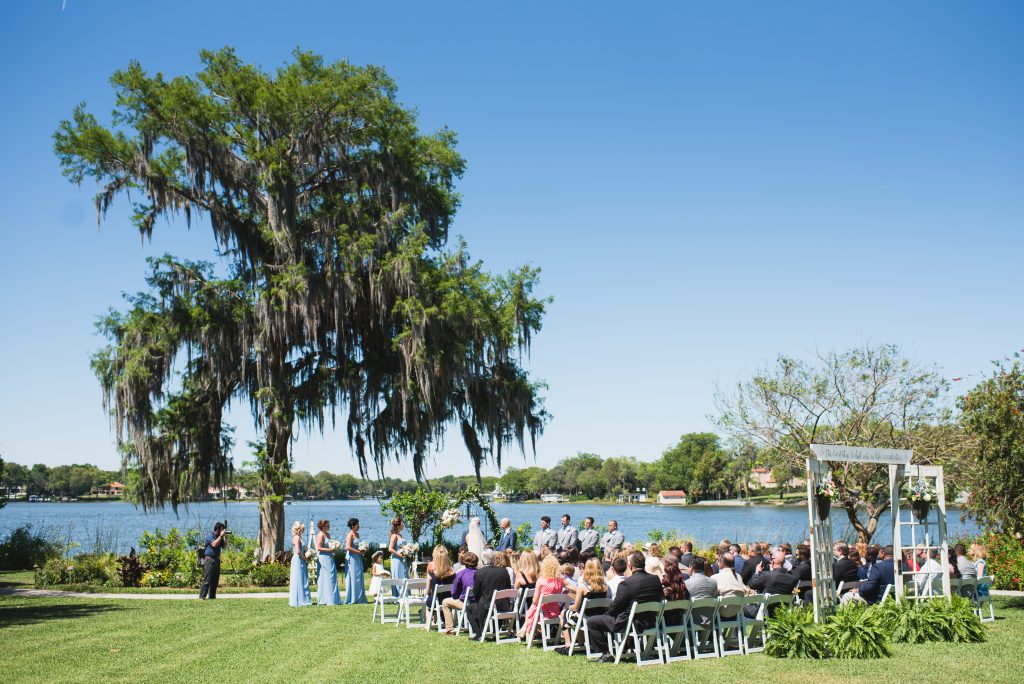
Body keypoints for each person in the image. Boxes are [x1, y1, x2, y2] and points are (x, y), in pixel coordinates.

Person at [587, 552, 663, 661]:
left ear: (630, 566)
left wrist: (606, 615)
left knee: (591, 621)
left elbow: (615, 607)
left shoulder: (627, 583)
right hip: (651, 621)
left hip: (629, 622)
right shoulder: (655, 579)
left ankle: (606, 654)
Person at [558, 558, 609, 653]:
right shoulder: (605, 586)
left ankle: (568, 644)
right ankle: (581, 641)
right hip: (600, 616)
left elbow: (575, 607)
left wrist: (569, 607)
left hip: (585, 618)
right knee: (577, 614)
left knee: (563, 613)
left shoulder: (583, 587)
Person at [468, 549, 513, 638]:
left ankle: (479, 633)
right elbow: (508, 588)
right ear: (493, 559)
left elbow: (476, 593)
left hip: (487, 606)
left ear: (483, 560)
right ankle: (495, 631)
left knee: (469, 608)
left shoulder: (479, 572)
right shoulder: (504, 571)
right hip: (504, 605)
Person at [519, 555, 566, 639]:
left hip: (542, 613)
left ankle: (525, 629)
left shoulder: (541, 580)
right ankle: (525, 629)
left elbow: (534, 600)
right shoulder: (560, 581)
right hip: (555, 612)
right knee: (535, 607)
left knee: (534, 606)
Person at [442, 551, 478, 633]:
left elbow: (454, 593)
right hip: (478, 602)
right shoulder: (480, 573)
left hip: (466, 603)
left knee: (445, 602)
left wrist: (457, 596)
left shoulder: (461, 574)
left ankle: (450, 629)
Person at [199, 521, 228, 600]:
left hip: (217, 560)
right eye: (222, 530)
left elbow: (224, 547)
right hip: (209, 559)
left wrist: (226, 537)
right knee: (207, 579)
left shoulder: (220, 537)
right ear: (218, 529)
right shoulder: (210, 535)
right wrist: (221, 536)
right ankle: (202, 597)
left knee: (215, 580)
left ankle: (212, 597)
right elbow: (214, 544)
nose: (222, 531)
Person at [315, 519, 341, 605]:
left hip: (329, 557)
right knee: (327, 577)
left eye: (329, 525)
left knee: (332, 576)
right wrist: (330, 550)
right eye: (327, 525)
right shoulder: (320, 535)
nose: (329, 527)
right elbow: (318, 548)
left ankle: (333, 598)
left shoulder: (328, 534)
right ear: (322, 526)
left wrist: (333, 550)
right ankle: (326, 599)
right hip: (324, 557)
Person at [343, 517, 367, 604]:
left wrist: (362, 549)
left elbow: (359, 545)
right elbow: (348, 547)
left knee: (358, 576)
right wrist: (358, 552)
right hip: (352, 558)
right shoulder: (350, 535)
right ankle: (353, 598)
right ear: (353, 526)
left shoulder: (357, 535)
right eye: (357, 525)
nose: (359, 526)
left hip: (358, 557)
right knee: (353, 576)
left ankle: (360, 597)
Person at [288, 521, 311, 607]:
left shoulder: (299, 537)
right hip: (298, 559)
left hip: (300, 559)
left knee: (302, 578)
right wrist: (305, 558)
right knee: (298, 578)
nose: (303, 530)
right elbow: (298, 551)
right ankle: (299, 600)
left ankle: (303, 598)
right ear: (299, 529)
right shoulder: (296, 538)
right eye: (302, 529)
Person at [388, 517, 408, 596]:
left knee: (404, 575)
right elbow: (390, 549)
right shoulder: (394, 536)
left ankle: (405, 594)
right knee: (398, 576)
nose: (403, 526)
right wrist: (400, 555)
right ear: (398, 525)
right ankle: (397, 595)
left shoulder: (400, 535)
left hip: (403, 559)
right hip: (396, 559)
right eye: (402, 524)